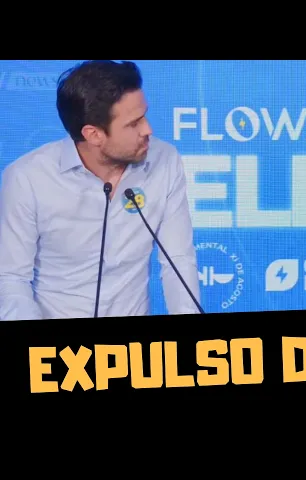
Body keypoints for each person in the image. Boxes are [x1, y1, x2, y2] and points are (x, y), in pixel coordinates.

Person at [0, 60, 201, 321]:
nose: (148, 129)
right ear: (93, 134)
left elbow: (178, 259)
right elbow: (11, 278)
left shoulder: (165, 160)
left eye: (144, 115)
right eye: (133, 124)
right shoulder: (27, 178)